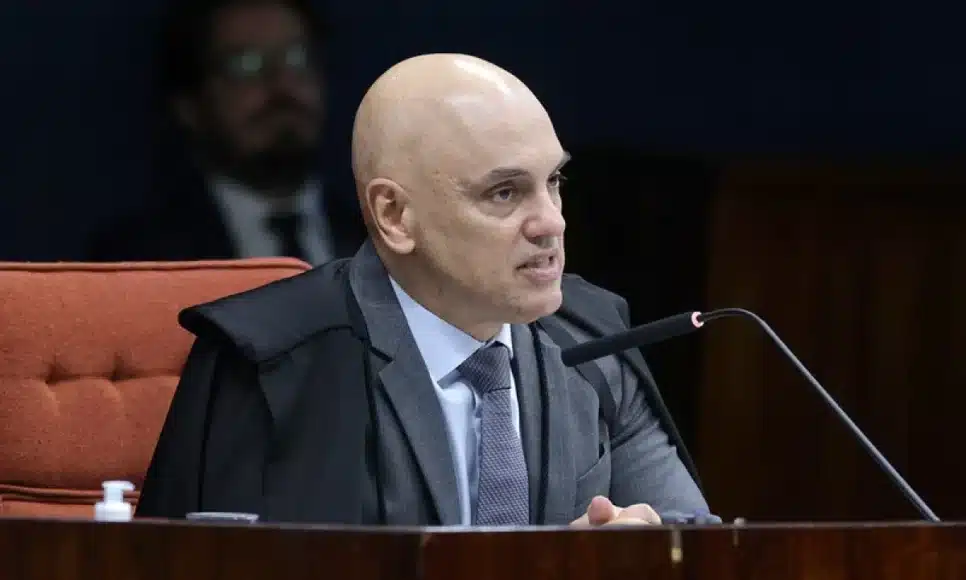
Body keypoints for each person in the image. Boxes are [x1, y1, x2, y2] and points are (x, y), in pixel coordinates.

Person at [136, 53, 717, 527]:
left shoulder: (592, 339)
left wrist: (640, 553)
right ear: (394, 215)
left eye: (554, 181)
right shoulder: (271, 364)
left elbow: (693, 543)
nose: (552, 222)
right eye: (505, 193)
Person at [87, 0, 364, 265]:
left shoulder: (375, 240)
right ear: (190, 106)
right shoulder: (140, 258)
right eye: (245, 65)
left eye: (297, 58)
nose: (282, 84)